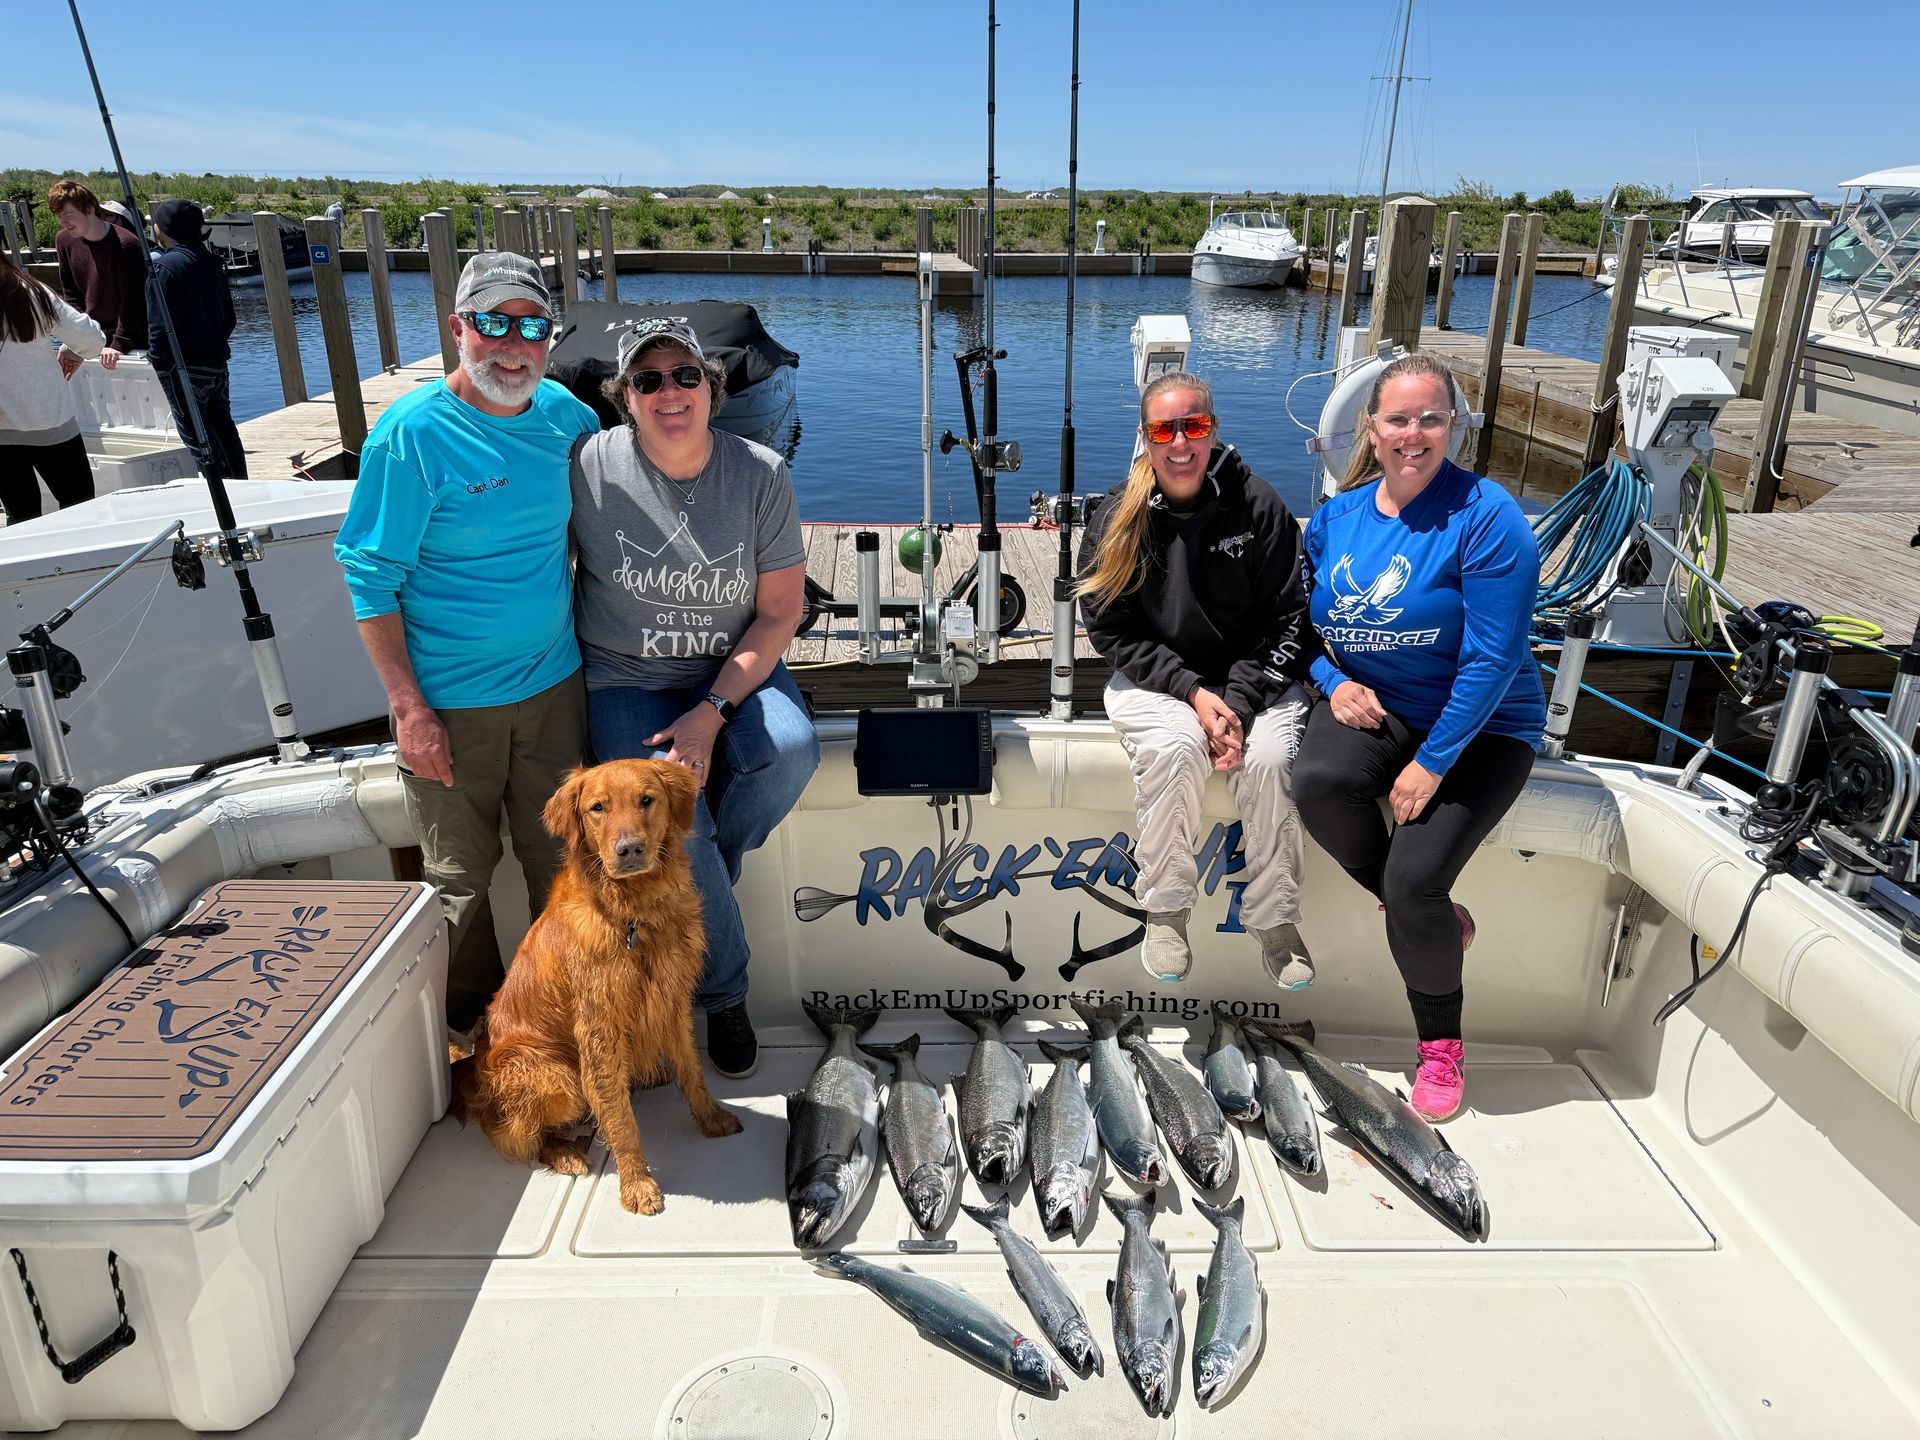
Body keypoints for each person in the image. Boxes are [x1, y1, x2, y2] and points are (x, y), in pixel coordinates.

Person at [335, 252, 599, 1031]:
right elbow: (369, 576)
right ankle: (472, 1037)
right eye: (492, 323)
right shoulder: (409, 437)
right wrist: (408, 710)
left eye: (531, 326)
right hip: (449, 706)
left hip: (556, 690)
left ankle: (575, 1019)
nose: (512, 345)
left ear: (550, 338)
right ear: (457, 329)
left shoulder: (569, 419)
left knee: (570, 871)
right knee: (460, 884)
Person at [1291, 352, 1544, 1122]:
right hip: (1382, 709)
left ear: (1455, 426)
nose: (1414, 433)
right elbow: (1298, 629)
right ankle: (1429, 920)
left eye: (1431, 417)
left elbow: (1495, 657)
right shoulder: (1338, 516)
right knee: (1316, 785)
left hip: (1486, 723)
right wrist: (1334, 683)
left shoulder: (1487, 515)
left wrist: (1434, 763)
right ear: (1371, 428)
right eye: (1398, 418)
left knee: (1413, 883)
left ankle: (1440, 1047)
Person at [571, 315, 816, 1079]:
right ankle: (725, 993)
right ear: (624, 398)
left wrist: (711, 713)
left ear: (710, 388)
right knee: (679, 823)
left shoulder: (762, 473)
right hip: (625, 675)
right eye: (647, 380)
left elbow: (781, 611)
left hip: (730, 669)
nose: (669, 392)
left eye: (685, 376)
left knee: (791, 751)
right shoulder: (585, 468)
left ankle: (709, 873)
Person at [1076, 370, 1317, 988]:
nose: (1180, 443)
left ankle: (1276, 918)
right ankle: (1166, 910)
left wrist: (1234, 702)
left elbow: (1290, 616)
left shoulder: (1258, 505)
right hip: (1157, 681)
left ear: (1213, 431)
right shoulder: (1117, 516)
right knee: (1177, 747)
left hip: (1256, 680)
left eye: (1194, 426)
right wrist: (1193, 693)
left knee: (1267, 761)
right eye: (1165, 429)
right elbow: (1110, 629)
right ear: (1145, 437)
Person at [145, 200, 246, 482]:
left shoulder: (164, 269)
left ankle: (221, 492)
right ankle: (241, 483)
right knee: (225, 428)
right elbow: (229, 320)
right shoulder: (212, 261)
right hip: (216, 363)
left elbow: (159, 327)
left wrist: (158, 362)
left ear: (164, 229)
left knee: (200, 440)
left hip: (184, 368)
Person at [0, 249, 104, 522]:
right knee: (80, 509)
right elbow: (91, 340)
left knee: (21, 519)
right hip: (51, 421)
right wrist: (72, 352)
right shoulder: (30, 291)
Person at [48, 179, 146, 374]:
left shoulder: (127, 245)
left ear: (90, 209)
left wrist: (119, 344)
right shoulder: (64, 240)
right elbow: (70, 293)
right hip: (91, 335)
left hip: (130, 341)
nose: (64, 223)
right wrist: (76, 340)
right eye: (59, 217)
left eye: (68, 215)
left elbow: (134, 304)